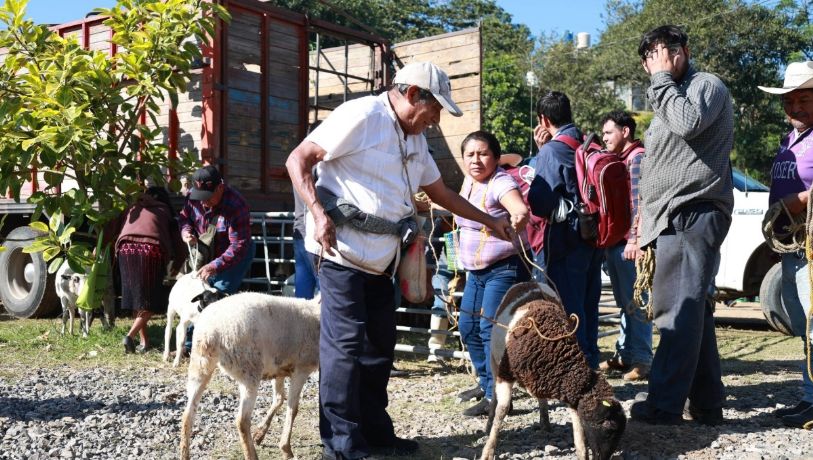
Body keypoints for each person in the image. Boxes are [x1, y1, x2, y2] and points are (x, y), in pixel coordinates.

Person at [285, 61, 514, 460]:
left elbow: (441, 192)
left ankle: (375, 434)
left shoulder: (415, 138)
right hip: (341, 251)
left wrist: (489, 221)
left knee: (378, 347)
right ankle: (340, 446)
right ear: (411, 95)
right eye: (433, 109)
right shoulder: (362, 116)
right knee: (344, 347)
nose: (435, 119)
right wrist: (317, 215)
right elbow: (298, 160)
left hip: (383, 259)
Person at [628, 25, 734, 426]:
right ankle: (707, 404)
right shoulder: (666, 96)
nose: (654, 63)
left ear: (683, 51)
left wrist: (659, 80)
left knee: (677, 310)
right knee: (695, 312)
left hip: (695, 212)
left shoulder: (705, 85)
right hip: (673, 217)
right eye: (649, 58)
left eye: (661, 53)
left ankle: (664, 405)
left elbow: (688, 123)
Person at [455, 130, 530, 417]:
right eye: (470, 154)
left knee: (490, 331)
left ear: (496, 158)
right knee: (468, 328)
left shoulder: (501, 182)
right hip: (475, 270)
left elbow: (517, 207)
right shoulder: (469, 182)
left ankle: (497, 398)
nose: (476, 160)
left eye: (483, 153)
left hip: (504, 268)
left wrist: (519, 215)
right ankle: (487, 383)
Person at [527, 91, 603, 369]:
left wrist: (539, 156)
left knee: (568, 309)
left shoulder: (552, 151)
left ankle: (577, 372)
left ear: (543, 119)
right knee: (588, 305)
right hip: (593, 237)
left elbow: (539, 199)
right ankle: (591, 364)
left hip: (566, 240)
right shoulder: (587, 144)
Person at [757, 60, 813, 428]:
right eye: (790, 100)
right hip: (793, 245)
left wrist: (800, 201)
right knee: (805, 324)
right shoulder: (790, 139)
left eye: (804, 99)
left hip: (810, 243)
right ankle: (810, 398)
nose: (795, 107)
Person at [597, 110, 653, 381]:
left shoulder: (638, 158)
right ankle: (624, 354)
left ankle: (642, 359)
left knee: (637, 300)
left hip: (631, 244)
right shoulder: (622, 159)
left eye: (609, 132)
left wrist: (635, 238)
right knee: (625, 302)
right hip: (618, 241)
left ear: (625, 132)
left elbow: (640, 203)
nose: (605, 137)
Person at [179, 165, 255, 352]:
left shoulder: (237, 205)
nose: (203, 203)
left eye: (207, 197)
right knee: (197, 292)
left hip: (234, 254)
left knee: (216, 295)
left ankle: (208, 344)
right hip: (207, 249)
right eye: (199, 197)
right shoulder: (193, 197)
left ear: (220, 188)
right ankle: (192, 345)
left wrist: (214, 266)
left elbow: (238, 246)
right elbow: (184, 218)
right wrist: (186, 231)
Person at [116, 186, 185, 353]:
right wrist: (177, 264)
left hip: (124, 249)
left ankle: (144, 343)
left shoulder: (134, 207)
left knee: (136, 299)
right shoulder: (166, 210)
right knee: (151, 302)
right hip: (150, 250)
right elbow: (178, 243)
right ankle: (130, 336)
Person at [293, 189, 318, 299]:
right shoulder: (318, 172)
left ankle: (298, 315)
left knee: (303, 283)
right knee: (325, 286)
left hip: (301, 231)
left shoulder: (297, 172)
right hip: (313, 234)